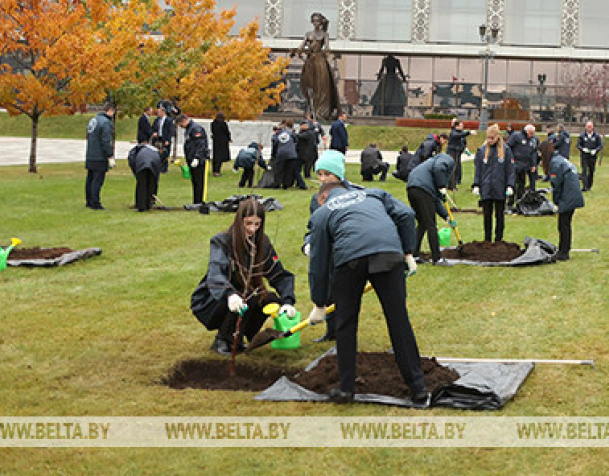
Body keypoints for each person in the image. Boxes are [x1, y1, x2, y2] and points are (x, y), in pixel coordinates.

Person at [305, 152, 427, 405]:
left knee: (346, 323)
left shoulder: (321, 212)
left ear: (323, 196)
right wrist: (407, 252)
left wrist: (319, 304)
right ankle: (418, 388)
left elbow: (318, 264)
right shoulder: (374, 193)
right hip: (388, 254)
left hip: (350, 261)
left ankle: (346, 388)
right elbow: (406, 215)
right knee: (398, 321)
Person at [191, 197, 297, 356]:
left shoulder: (263, 243)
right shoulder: (222, 242)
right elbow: (216, 272)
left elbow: (279, 274)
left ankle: (243, 335)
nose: (252, 229)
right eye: (248, 223)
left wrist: (288, 301)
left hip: (247, 293)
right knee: (244, 298)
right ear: (239, 221)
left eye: (257, 224)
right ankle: (223, 339)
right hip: (214, 298)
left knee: (269, 299)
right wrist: (230, 294)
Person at [407, 137, 456, 257]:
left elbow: (435, 200)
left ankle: (415, 254)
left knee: (423, 223)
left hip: (412, 187)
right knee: (431, 224)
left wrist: (446, 216)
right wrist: (442, 186)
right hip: (421, 189)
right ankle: (436, 257)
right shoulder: (447, 159)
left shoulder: (432, 168)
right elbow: (439, 168)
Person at [473, 124, 515, 243]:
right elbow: (478, 170)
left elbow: (510, 170)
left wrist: (510, 185)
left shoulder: (506, 150)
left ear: (497, 137)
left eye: (492, 138)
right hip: (486, 188)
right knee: (487, 216)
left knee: (499, 216)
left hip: (500, 188)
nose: (490, 140)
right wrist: (476, 185)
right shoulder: (482, 151)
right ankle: (487, 239)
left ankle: (498, 239)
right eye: (488, 138)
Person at [542, 143, 584, 261]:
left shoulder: (555, 163)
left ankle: (563, 252)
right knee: (566, 224)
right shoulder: (560, 159)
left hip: (568, 195)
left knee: (563, 224)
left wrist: (556, 202)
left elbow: (557, 186)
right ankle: (564, 249)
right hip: (573, 193)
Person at [297, 12, 340, 121]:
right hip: (311, 62)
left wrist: (325, 52)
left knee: (322, 86)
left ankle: (322, 112)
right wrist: (301, 54)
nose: (316, 23)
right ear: (312, 22)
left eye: (318, 21)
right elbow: (301, 47)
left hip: (320, 62)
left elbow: (327, 47)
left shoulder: (324, 34)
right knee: (310, 86)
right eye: (314, 20)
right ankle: (311, 111)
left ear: (321, 22)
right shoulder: (308, 34)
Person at [84, 103, 116, 210]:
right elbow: (105, 140)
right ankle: (95, 203)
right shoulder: (106, 122)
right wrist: (110, 155)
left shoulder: (93, 120)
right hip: (99, 156)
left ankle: (89, 201)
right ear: (110, 110)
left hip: (90, 154)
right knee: (97, 180)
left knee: (90, 179)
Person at [178, 114, 210, 205]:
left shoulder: (196, 129)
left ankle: (199, 201)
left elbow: (200, 145)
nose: (181, 127)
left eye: (181, 124)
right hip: (191, 159)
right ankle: (196, 201)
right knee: (195, 181)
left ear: (184, 120)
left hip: (198, 160)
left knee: (199, 181)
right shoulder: (189, 129)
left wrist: (197, 157)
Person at [128, 138, 165, 211]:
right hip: (150, 164)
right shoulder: (156, 153)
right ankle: (148, 205)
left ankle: (141, 206)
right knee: (150, 184)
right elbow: (156, 175)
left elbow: (131, 160)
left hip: (142, 164)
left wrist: (136, 172)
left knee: (141, 185)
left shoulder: (138, 149)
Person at [507, 124, 539, 201]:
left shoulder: (534, 139)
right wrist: (511, 159)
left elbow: (533, 152)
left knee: (522, 184)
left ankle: (519, 200)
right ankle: (510, 202)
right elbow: (508, 147)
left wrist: (534, 164)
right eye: (530, 133)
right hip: (515, 164)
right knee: (513, 184)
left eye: (533, 133)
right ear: (526, 131)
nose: (531, 135)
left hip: (525, 165)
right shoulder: (516, 136)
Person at [272, 119, 301, 190]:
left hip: (281, 153)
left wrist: (273, 154)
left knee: (279, 170)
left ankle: (277, 184)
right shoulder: (291, 133)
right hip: (291, 154)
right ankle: (286, 185)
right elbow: (296, 141)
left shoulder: (278, 134)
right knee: (288, 170)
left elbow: (275, 143)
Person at [577, 121, 603, 193]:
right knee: (584, 171)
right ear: (585, 127)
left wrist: (596, 150)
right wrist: (582, 149)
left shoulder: (597, 136)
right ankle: (585, 187)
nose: (589, 128)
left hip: (593, 156)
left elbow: (600, 145)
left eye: (590, 126)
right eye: (588, 126)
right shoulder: (582, 135)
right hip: (584, 156)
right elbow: (578, 145)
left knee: (591, 171)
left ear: (593, 127)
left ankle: (589, 185)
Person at [446, 119, 470, 189]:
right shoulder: (453, 133)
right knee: (452, 168)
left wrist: (464, 148)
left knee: (457, 168)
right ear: (456, 126)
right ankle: (451, 185)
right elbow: (458, 136)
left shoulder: (460, 132)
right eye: (461, 125)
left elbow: (463, 140)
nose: (462, 127)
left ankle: (456, 181)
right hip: (452, 152)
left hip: (457, 152)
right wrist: (469, 132)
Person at [296, 119, 320, 183]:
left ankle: (307, 175)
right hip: (302, 151)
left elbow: (301, 137)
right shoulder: (304, 132)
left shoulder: (308, 132)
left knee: (307, 165)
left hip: (308, 151)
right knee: (301, 165)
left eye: (306, 125)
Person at [154, 103, 175, 172]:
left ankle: (164, 169)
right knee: (157, 153)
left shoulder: (169, 120)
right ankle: (157, 167)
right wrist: (155, 132)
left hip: (165, 139)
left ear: (163, 112)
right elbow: (154, 127)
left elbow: (170, 130)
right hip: (158, 138)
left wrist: (168, 140)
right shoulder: (157, 120)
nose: (158, 114)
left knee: (165, 153)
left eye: (159, 112)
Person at [211, 112, 232, 177]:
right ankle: (217, 172)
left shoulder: (213, 124)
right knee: (220, 158)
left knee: (215, 157)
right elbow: (227, 132)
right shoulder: (223, 124)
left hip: (215, 142)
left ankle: (214, 170)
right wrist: (229, 139)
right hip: (223, 142)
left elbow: (213, 132)